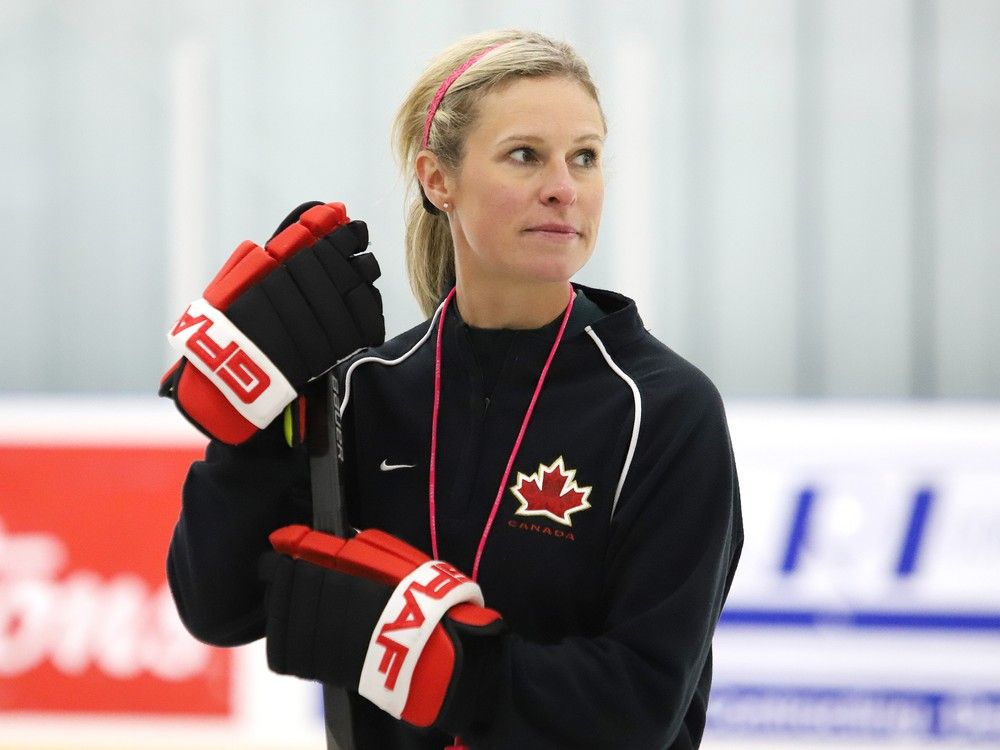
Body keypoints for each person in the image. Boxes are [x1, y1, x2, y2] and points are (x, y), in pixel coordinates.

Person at [162, 29, 743, 750]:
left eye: (585, 157)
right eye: (525, 155)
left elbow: (641, 706)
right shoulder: (363, 393)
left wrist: (453, 671)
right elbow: (218, 607)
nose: (564, 186)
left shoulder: (662, 408)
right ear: (439, 180)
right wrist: (247, 429)